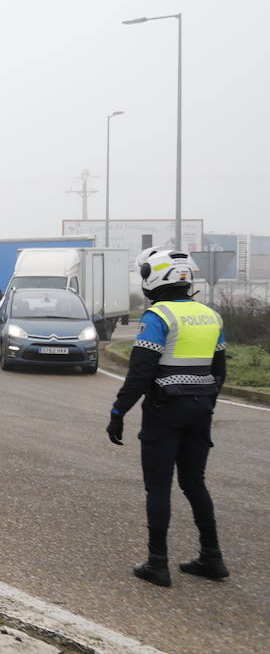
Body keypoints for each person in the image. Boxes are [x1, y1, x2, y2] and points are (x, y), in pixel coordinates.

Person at [106, 247, 229, 587]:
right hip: (200, 409)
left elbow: (140, 373)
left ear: (156, 277)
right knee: (194, 482)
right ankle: (212, 557)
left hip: (165, 411)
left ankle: (157, 564)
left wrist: (118, 412)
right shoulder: (211, 316)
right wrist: (205, 402)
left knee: (159, 485)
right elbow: (220, 371)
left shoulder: (158, 316)